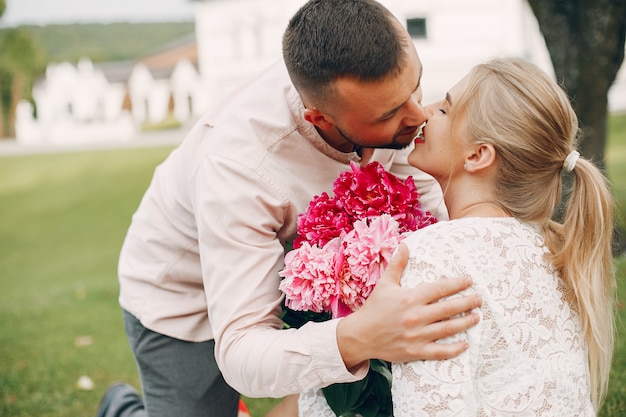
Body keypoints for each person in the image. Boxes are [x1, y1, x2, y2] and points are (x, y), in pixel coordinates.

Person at [95, 1, 484, 417]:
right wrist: (361, 336)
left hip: (284, 269)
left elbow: (433, 206)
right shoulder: (239, 166)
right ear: (318, 116)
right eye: (390, 113)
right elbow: (243, 351)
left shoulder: (366, 92)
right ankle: (122, 409)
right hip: (183, 298)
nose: (418, 116)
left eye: (416, 87)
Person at [389, 57, 615, 416]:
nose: (425, 112)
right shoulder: (552, 247)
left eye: (445, 109)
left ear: (478, 155)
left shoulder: (433, 254)